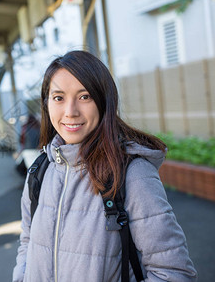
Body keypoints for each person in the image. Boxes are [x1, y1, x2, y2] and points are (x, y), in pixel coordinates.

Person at [13, 51, 197, 282]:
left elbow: (173, 273)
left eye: (84, 96)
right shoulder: (40, 170)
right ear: (46, 103)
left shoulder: (132, 174)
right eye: (58, 98)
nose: (70, 111)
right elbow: (28, 243)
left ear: (104, 101)